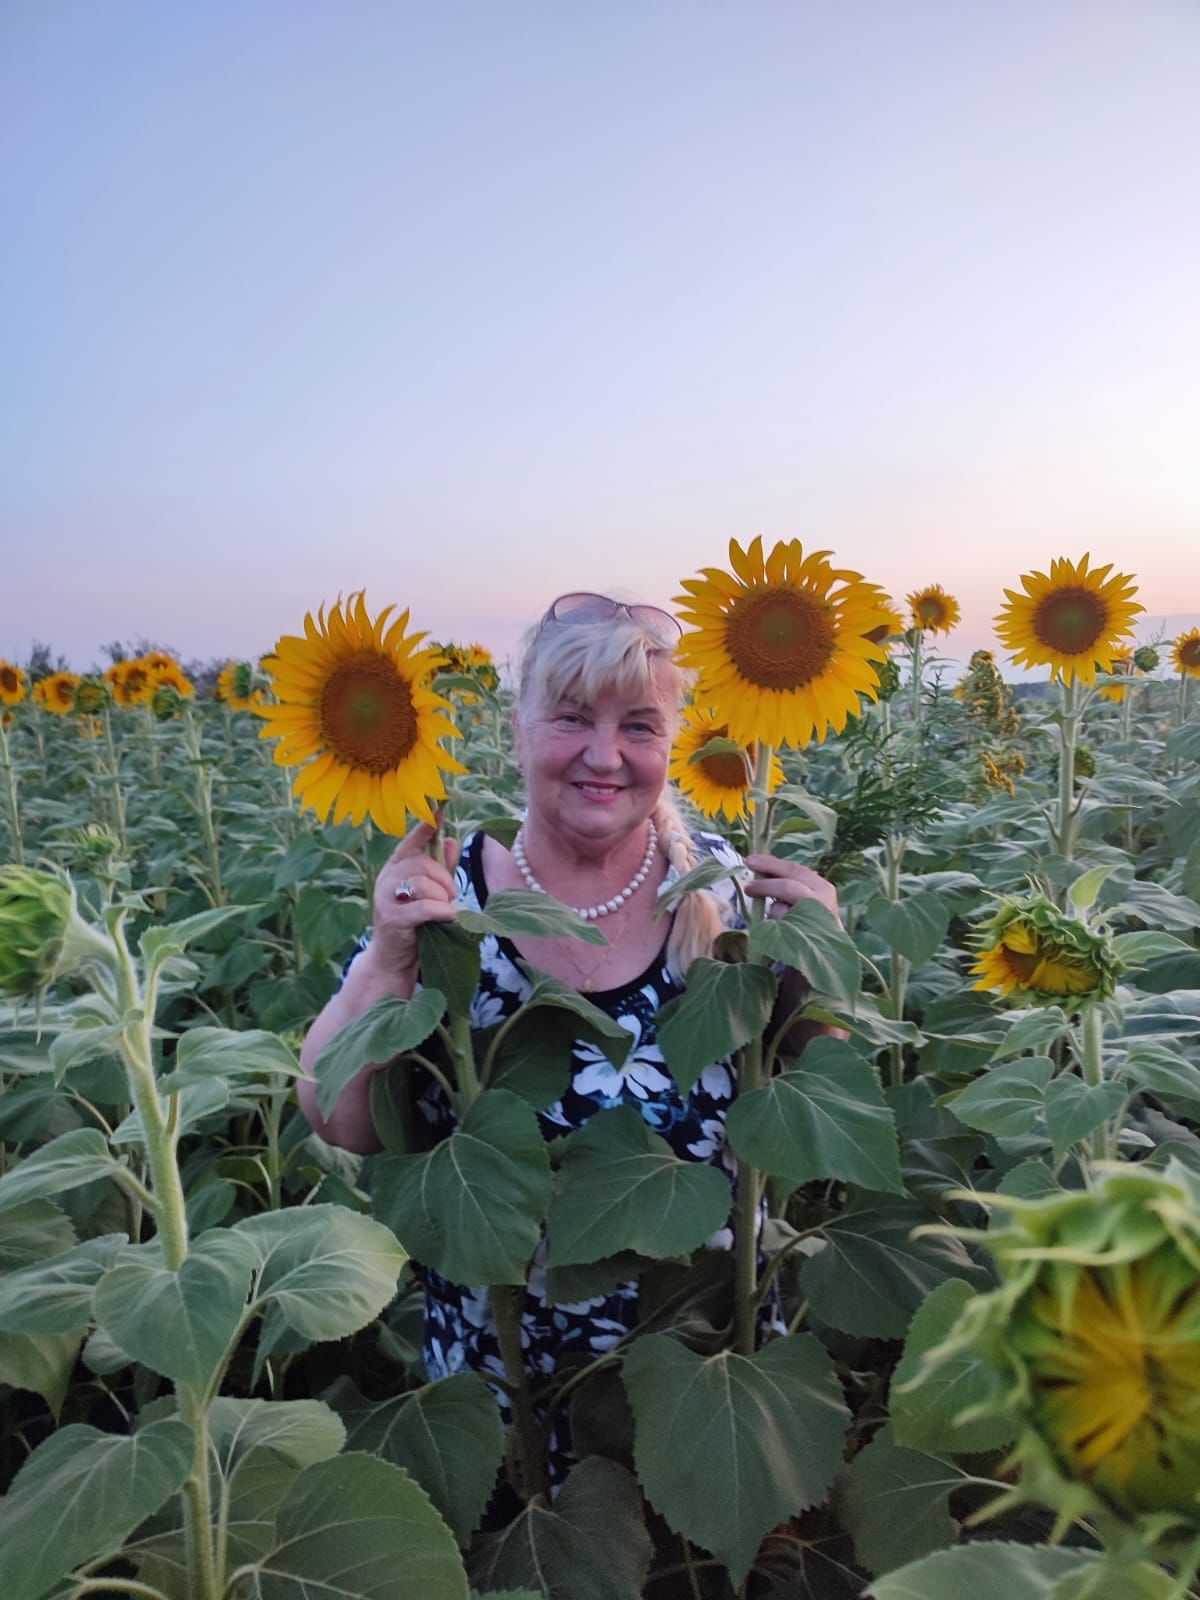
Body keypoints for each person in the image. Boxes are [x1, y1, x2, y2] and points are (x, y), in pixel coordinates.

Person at [297, 591, 843, 1470]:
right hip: (504, 1383)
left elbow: (815, 1109)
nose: (604, 755)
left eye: (639, 726)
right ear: (518, 732)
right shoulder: (447, 900)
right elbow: (337, 1119)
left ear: (673, 744)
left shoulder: (727, 894)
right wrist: (391, 958)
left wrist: (817, 955)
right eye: (572, 718)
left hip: (707, 1365)